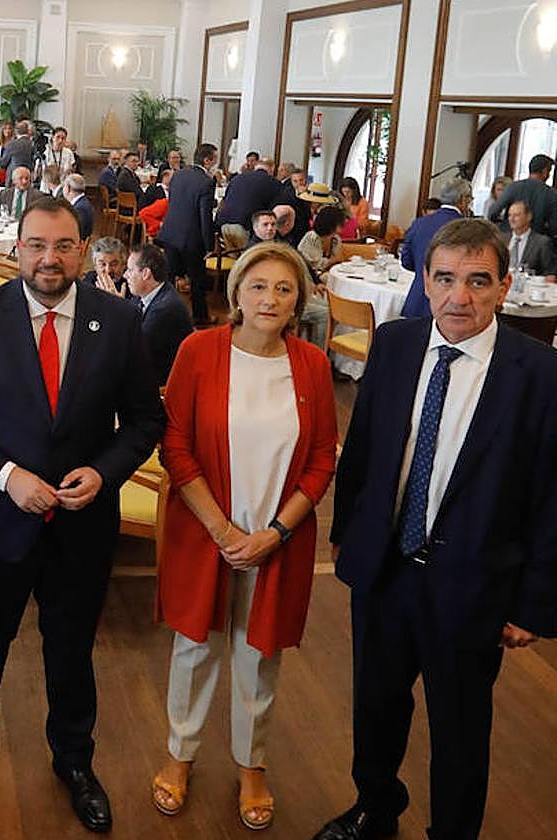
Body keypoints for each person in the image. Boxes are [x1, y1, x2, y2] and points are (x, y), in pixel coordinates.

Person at [0, 196, 164, 836]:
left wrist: (105, 471)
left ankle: (75, 764)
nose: (49, 259)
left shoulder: (119, 321)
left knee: (72, 655)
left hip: (81, 526)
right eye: (36, 245)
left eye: (62, 246)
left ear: (83, 250)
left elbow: (144, 420)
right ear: (18, 248)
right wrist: (7, 477)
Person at [313, 218, 557, 840]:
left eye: (478, 282)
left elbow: (552, 499)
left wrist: (534, 604)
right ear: (425, 279)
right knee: (375, 705)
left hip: (474, 584)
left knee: (460, 727)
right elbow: (363, 445)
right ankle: (375, 807)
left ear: (503, 288)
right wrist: (347, 530)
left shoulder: (539, 375)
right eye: (445, 279)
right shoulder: (395, 343)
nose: (459, 298)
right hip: (386, 567)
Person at [153, 242, 336, 831]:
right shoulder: (199, 350)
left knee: (261, 656)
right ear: (236, 294)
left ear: (298, 301)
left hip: (278, 538)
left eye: (284, 289)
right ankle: (180, 753)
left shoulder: (311, 363)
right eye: (258, 286)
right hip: (207, 530)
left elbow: (322, 460)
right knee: (194, 648)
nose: (270, 298)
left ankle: (251, 764)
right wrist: (221, 528)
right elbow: (175, 445)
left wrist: (276, 532)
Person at [160, 143, 219, 325]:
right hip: (191, 239)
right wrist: (209, 246)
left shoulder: (178, 175)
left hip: (170, 233)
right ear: (207, 160)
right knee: (197, 280)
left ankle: (164, 314)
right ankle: (201, 317)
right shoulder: (207, 182)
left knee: (169, 278)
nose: (216, 163)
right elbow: (205, 217)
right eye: (215, 159)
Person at [400, 178, 471, 318]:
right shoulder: (465, 229)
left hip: (417, 300)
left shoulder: (419, 223)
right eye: (470, 199)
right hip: (449, 305)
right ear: (463, 200)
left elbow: (406, 261)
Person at [126, 242, 192, 386]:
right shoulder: (143, 294)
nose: (126, 275)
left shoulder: (165, 310)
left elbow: (134, 350)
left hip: (160, 383)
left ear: (146, 274)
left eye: (130, 270)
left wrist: (116, 310)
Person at [217, 157, 282, 251]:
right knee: (247, 259)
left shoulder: (237, 178)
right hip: (244, 225)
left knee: (232, 257)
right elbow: (273, 210)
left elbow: (224, 200)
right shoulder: (273, 183)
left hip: (224, 223)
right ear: (271, 169)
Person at [486, 153, 557, 237]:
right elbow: (554, 227)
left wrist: (504, 226)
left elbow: (492, 212)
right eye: (549, 171)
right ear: (545, 171)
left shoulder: (514, 187)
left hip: (509, 238)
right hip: (535, 243)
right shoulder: (551, 194)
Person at [504, 199, 557, 280]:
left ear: (528, 217)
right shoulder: (502, 239)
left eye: (516, 215)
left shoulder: (542, 242)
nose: (512, 219)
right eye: (509, 215)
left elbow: (551, 273)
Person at [297, 204, 347, 273]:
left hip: (326, 273)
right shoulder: (311, 238)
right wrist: (332, 261)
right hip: (308, 274)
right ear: (331, 224)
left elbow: (339, 260)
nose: (343, 227)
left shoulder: (335, 239)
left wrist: (333, 261)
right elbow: (315, 265)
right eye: (340, 224)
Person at [63, 173, 94, 240]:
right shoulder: (82, 202)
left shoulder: (80, 209)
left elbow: (75, 233)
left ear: (68, 188)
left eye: (63, 186)